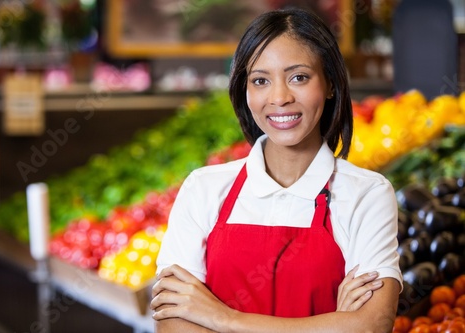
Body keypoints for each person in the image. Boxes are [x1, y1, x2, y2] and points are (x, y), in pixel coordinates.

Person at [150, 8, 402, 333]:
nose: (279, 97)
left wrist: (221, 317)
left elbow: (371, 325)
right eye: (260, 81)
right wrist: (332, 323)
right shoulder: (204, 188)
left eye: (299, 77)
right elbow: (172, 324)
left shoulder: (367, 193)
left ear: (329, 83)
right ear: (245, 90)